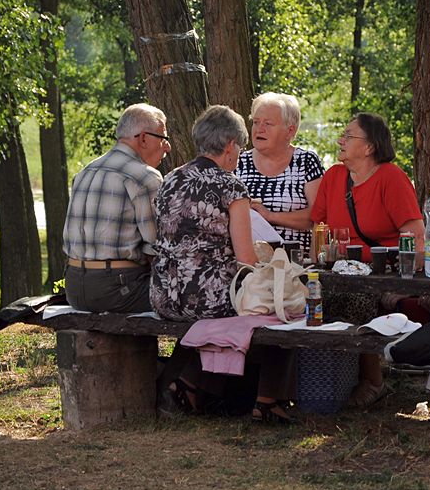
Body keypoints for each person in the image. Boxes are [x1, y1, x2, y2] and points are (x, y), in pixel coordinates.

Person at [150, 105, 294, 423]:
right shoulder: (230, 186)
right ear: (230, 146)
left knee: (240, 313)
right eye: (239, 148)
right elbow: (245, 259)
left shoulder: (170, 179)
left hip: (163, 294)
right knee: (280, 311)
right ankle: (267, 400)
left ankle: (191, 385)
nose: (239, 155)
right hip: (207, 297)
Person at [311, 112, 424, 407]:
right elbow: (318, 227)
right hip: (338, 268)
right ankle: (320, 378)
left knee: (357, 300)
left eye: (349, 136)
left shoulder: (392, 178)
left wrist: (400, 283)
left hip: (380, 271)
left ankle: (372, 380)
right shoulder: (334, 177)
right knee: (308, 299)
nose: (341, 140)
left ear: (370, 146)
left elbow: (417, 238)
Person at [63, 103, 170, 313]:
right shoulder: (145, 176)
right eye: (163, 138)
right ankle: (189, 348)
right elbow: (158, 244)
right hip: (117, 289)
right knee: (197, 300)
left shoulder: (87, 171)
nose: (167, 147)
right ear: (144, 138)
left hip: (74, 287)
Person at [236, 92, 324, 251]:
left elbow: (319, 216)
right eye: (256, 122)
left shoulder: (306, 161)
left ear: (290, 131)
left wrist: (270, 216)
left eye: (268, 124)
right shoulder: (238, 162)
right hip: (247, 265)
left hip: (295, 264)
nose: (259, 129)